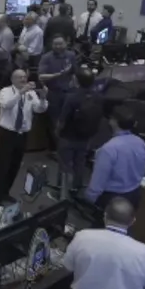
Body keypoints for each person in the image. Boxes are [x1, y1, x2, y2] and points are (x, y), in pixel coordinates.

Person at [0, 69, 48, 202]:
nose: (23, 79)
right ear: (12, 79)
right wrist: (21, 92)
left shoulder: (31, 93)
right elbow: (6, 105)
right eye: (19, 77)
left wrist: (43, 98)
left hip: (22, 134)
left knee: (15, 165)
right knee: (2, 166)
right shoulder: (5, 91)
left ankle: (6, 192)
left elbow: (39, 109)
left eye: (24, 77)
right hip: (7, 133)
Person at [56, 67, 104, 199]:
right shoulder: (98, 97)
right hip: (86, 137)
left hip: (68, 137)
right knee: (80, 163)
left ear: (76, 80)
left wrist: (58, 132)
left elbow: (62, 119)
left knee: (65, 165)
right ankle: (76, 190)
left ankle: (62, 192)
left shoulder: (71, 97)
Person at [87, 107, 145, 208]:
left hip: (112, 198)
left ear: (113, 122)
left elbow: (98, 182)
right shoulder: (141, 143)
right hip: (135, 193)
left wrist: (90, 199)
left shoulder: (108, 149)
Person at [38, 35, 78, 149]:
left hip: (69, 92)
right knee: (55, 121)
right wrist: (59, 74)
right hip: (53, 93)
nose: (58, 46)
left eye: (60, 43)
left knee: (69, 120)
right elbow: (41, 76)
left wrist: (75, 85)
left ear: (66, 43)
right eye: (55, 44)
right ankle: (58, 148)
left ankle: (67, 146)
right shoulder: (46, 57)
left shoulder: (71, 55)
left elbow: (74, 72)